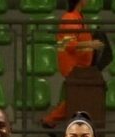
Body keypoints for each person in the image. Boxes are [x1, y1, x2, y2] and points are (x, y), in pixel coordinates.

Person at [40, 0, 104, 130]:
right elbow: (68, 45)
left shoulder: (79, 17)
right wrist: (91, 44)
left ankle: (50, 120)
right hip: (73, 66)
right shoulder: (69, 18)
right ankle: (49, 120)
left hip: (82, 66)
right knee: (77, 96)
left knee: (78, 96)